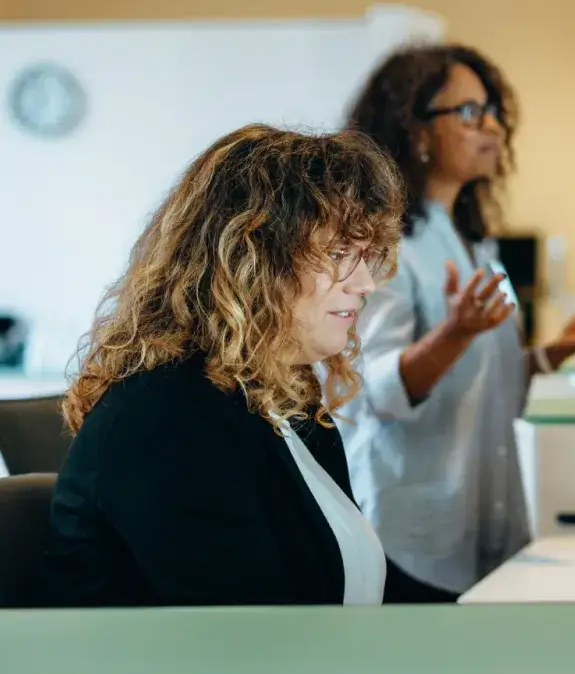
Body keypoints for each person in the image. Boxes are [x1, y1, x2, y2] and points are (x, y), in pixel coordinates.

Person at [35, 126, 403, 607]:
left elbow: (347, 577)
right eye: (337, 254)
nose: (364, 284)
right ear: (251, 260)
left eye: (365, 256)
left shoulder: (283, 395)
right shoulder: (166, 417)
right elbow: (249, 643)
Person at [343, 44, 575, 602]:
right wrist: (455, 333)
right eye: (471, 113)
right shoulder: (386, 244)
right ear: (418, 131)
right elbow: (376, 391)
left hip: (478, 521)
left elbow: (483, 382)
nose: (493, 127)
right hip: (410, 535)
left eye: (494, 111)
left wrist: (559, 352)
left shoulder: (472, 242)